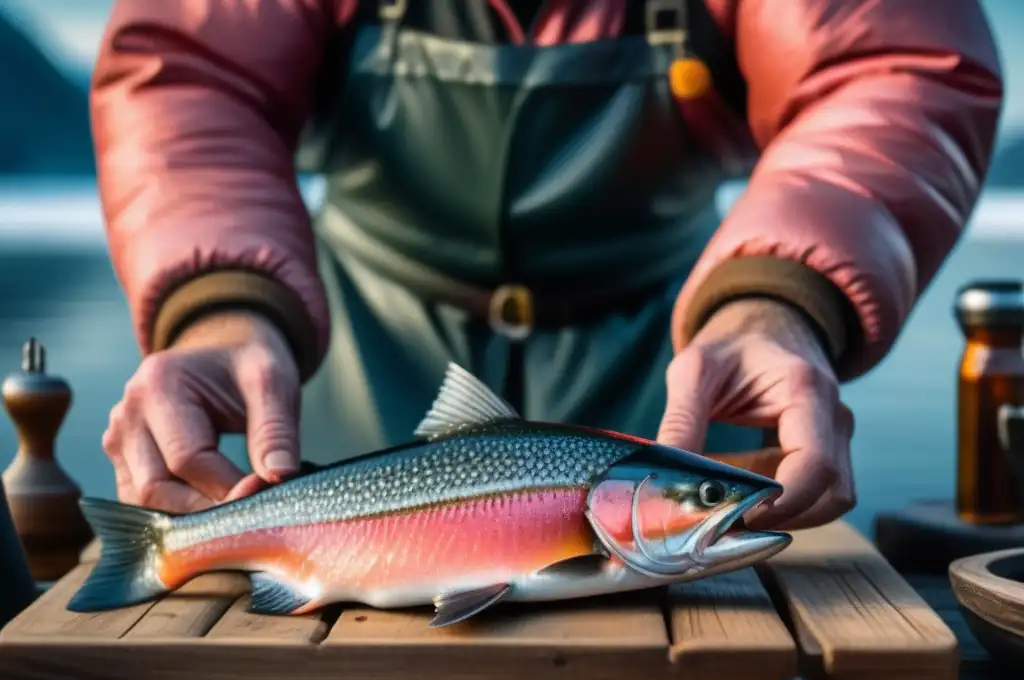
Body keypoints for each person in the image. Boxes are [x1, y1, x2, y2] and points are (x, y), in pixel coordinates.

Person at [90, 0, 1003, 532]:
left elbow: (891, 64)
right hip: (338, 351)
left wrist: (781, 300)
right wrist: (220, 312)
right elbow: (190, 69)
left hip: (690, 358)